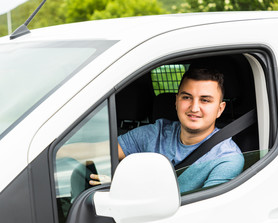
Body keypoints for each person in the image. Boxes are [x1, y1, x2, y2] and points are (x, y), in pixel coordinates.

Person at [91, 66, 244, 192]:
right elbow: (97, 151)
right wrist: (67, 151)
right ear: (176, 101)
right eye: (186, 97)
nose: (194, 107)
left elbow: (200, 214)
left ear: (220, 109)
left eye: (205, 100)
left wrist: (124, 186)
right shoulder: (158, 132)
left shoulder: (227, 158)